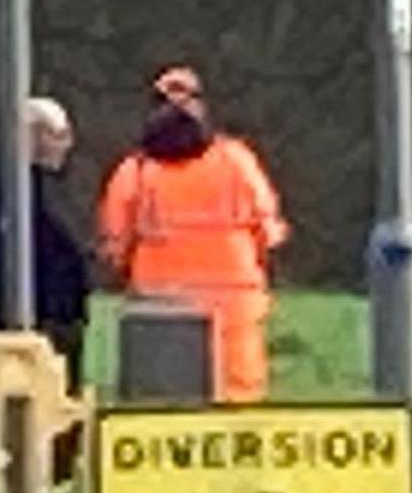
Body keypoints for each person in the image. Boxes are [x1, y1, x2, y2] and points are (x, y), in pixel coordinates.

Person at [95, 64, 289, 402]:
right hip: (235, 300)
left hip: (159, 303)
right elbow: (269, 231)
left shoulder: (135, 172)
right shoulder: (237, 161)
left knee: (163, 398)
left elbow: (115, 243)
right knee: (237, 395)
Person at [0, 96, 93, 384]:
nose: (67, 145)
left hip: (59, 320)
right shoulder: (10, 193)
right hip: (34, 323)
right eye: (58, 135)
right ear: (32, 136)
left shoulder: (47, 189)